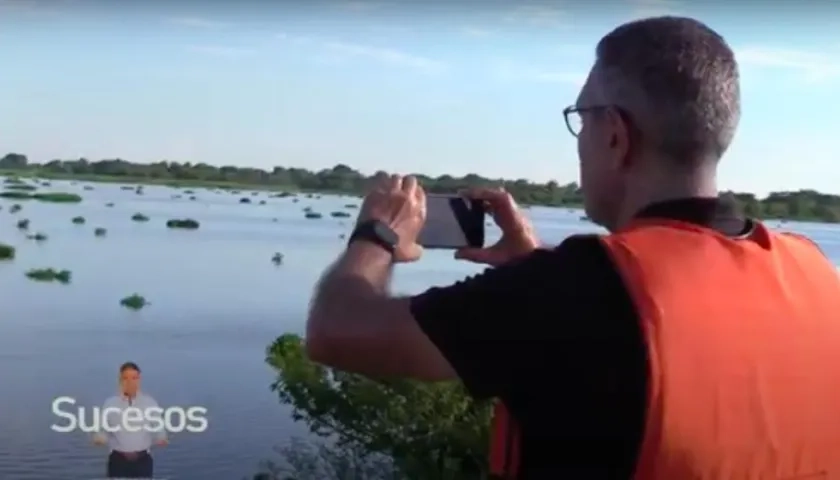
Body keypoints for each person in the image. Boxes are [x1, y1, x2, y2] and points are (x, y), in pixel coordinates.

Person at [305, 15, 840, 480]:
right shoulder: (814, 274)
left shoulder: (574, 293)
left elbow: (337, 331)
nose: (579, 139)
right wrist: (535, 267)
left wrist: (377, 233)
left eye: (581, 119)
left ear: (614, 135)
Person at [93, 362, 168, 479]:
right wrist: (100, 438)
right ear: (120, 380)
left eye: (134, 378)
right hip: (118, 461)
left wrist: (161, 437)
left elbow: (158, 426)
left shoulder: (150, 403)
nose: (130, 382)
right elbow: (103, 428)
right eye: (126, 378)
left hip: (143, 461)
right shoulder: (110, 403)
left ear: (139, 379)